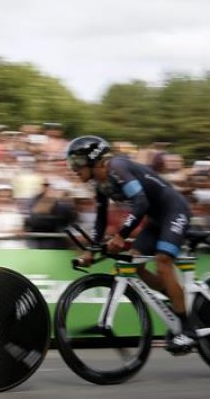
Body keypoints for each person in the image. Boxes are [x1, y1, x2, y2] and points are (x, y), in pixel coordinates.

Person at [66, 136, 195, 354]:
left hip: (174, 211)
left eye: (77, 163)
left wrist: (121, 235)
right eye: (71, 164)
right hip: (156, 220)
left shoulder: (117, 167)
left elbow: (141, 202)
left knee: (163, 262)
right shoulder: (100, 184)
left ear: (94, 159)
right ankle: (176, 298)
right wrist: (92, 249)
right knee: (135, 264)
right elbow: (100, 219)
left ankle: (188, 330)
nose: (74, 169)